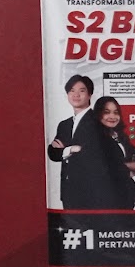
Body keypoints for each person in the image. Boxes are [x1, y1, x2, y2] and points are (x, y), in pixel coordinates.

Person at [48, 74, 116, 209]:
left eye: (81, 90)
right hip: (68, 191)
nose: (76, 95)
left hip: (93, 191)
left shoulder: (99, 122)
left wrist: (65, 150)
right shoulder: (64, 125)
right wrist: (71, 149)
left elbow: (93, 153)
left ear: (90, 94)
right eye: (72, 90)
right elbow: (53, 153)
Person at [94, 95, 135, 209]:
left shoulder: (121, 137)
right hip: (105, 198)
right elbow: (103, 168)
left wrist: (129, 166)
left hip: (126, 197)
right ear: (98, 114)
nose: (112, 116)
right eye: (107, 112)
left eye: (116, 112)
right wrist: (129, 167)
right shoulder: (95, 137)